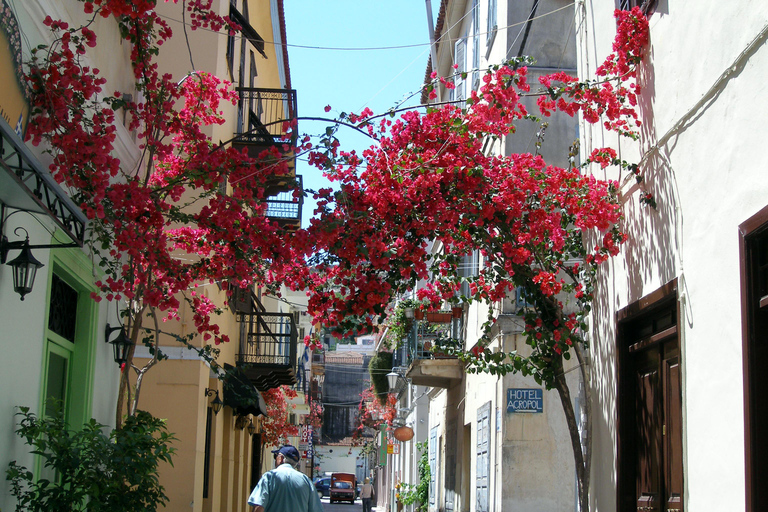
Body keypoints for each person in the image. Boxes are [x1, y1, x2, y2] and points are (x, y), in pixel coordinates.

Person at [247, 445, 323, 512]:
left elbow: (259, 507)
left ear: (280, 458)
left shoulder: (269, 477)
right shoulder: (306, 481)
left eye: (275, 456)